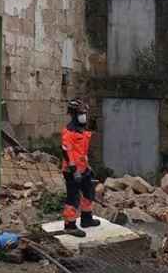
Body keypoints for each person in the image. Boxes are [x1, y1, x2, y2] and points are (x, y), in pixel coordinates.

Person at [61, 99, 100, 237]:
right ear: (73, 114)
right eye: (81, 113)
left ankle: (87, 219)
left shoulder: (82, 131)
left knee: (89, 192)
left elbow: (82, 153)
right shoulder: (69, 132)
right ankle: (70, 225)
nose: (84, 116)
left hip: (83, 168)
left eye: (84, 113)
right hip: (72, 171)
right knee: (73, 198)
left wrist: (87, 167)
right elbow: (67, 151)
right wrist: (73, 169)